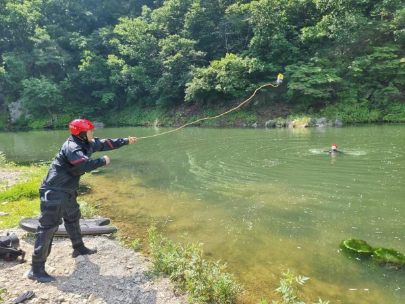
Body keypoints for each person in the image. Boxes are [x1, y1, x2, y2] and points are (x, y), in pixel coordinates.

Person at [29, 119, 138, 283]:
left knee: (73, 218)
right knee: (48, 228)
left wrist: (126, 141)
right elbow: (83, 165)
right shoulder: (73, 147)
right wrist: (103, 161)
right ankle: (36, 269)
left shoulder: (86, 142)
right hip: (54, 191)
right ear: (81, 133)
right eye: (90, 131)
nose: (92, 134)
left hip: (67, 189)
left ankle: (79, 249)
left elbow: (105, 143)